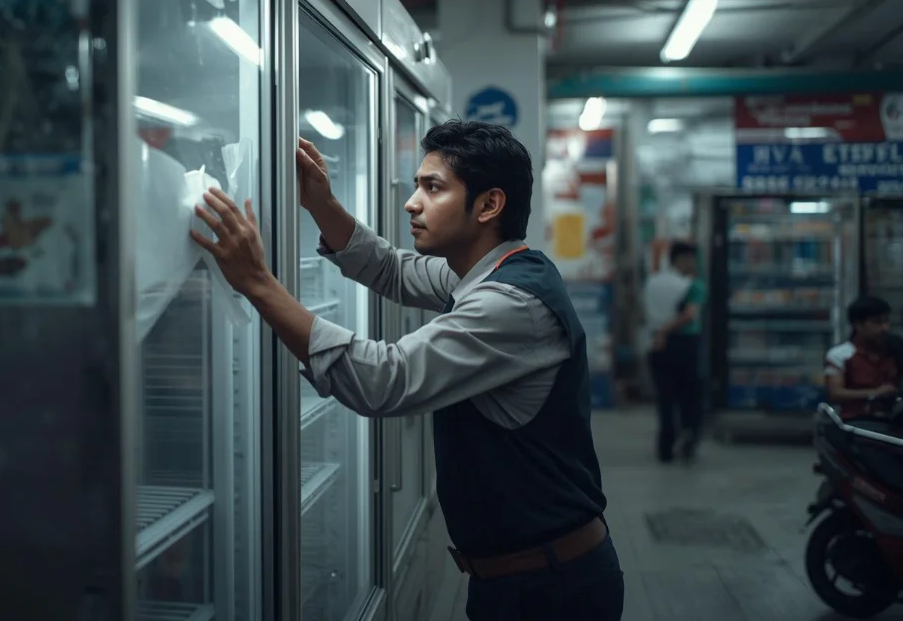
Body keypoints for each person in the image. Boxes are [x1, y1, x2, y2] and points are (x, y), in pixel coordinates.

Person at [190, 120, 624, 621]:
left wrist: (258, 283)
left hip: (551, 591)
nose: (411, 202)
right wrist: (320, 203)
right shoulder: (495, 269)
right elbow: (392, 270)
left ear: (489, 205)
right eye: (417, 185)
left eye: (432, 187)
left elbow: (384, 380)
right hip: (524, 576)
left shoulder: (508, 304)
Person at [642, 240, 706, 463]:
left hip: (656, 347)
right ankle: (689, 440)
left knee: (665, 399)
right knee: (690, 397)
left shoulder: (652, 282)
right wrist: (666, 329)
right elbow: (690, 314)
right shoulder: (692, 286)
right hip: (684, 345)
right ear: (682, 259)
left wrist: (658, 332)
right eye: (692, 259)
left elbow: (645, 312)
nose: (694, 264)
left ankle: (665, 448)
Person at [825, 295, 903, 420]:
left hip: (893, 420)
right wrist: (875, 393)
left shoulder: (897, 351)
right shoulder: (840, 355)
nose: (884, 328)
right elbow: (835, 393)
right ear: (858, 324)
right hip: (856, 423)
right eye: (878, 322)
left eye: (886, 321)